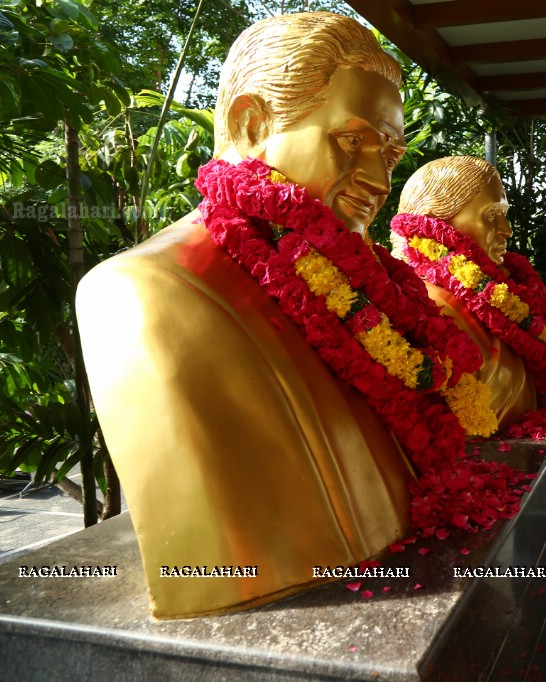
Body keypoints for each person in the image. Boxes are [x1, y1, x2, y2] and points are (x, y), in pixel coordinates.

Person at [75, 13, 481, 619]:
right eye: (351, 139)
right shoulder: (145, 292)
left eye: (390, 153)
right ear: (252, 125)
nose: (377, 177)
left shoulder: (358, 296)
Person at [390, 156, 546, 429]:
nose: (506, 230)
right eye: (492, 215)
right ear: (436, 222)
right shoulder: (426, 307)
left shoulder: (500, 304)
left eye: (504, 215)